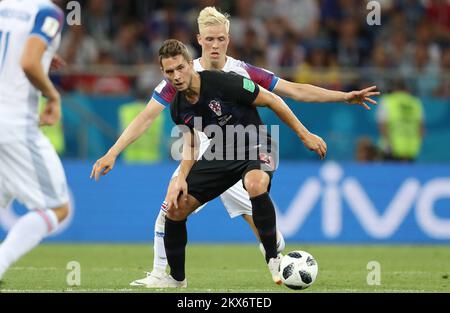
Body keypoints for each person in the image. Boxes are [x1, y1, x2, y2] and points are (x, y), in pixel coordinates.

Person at [91, 7, 379, 288]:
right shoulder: (180, 75)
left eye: (220, 39)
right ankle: (162, 275)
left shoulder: (240, 73)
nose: (215, 45)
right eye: (209, 38)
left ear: (228, 39)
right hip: (205, 155)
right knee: (171, 206)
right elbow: (146, 117)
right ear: (199, 39)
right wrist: (114, 152)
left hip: (247, 147)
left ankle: (274, 255)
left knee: (261, 212)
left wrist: (343, 96)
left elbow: (293, 90)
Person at [159, 39, 326, 287]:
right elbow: (192, 145)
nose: (176, 76)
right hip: (221, 154)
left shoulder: (223, 81)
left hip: (255, 142)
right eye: (170, 71)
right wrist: (180, 178)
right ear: (163, 72)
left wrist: (304, 134)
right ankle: (176, 280)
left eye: (180, 68)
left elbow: (273, 100)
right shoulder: (178, 107)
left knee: (255, 183)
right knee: (175, 209)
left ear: (190, 65)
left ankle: (272, 256)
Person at [0, 0, 69, 281]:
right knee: (57, 208)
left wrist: (41, 58)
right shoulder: (47, 13)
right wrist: (52, 94)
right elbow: (28, 61)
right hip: (14, 124)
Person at [377, 79, 425, 162]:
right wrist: (417, 144)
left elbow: (383, 125)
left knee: (389, 174)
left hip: (391, 149)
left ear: (393, 89)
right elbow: (421, 128)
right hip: (411, 149)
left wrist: (388, 144)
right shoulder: (416, 102)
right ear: (407, 89)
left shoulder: (387, 101)